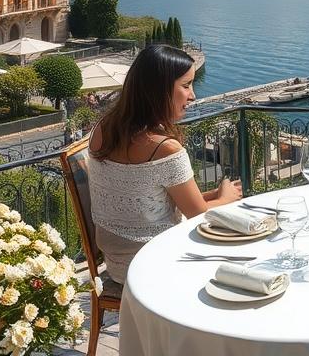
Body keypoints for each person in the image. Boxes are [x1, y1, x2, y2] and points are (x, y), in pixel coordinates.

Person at [87, 43, 242, 283]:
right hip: (156, 265)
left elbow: (140, 199)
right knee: (244, 259)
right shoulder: (164, 148)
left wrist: (212, 195)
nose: (193, 95)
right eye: (186, 85)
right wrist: (226, 198)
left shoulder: (102, 129)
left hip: (117, 266)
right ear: (159, 89)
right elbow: (198, 215)